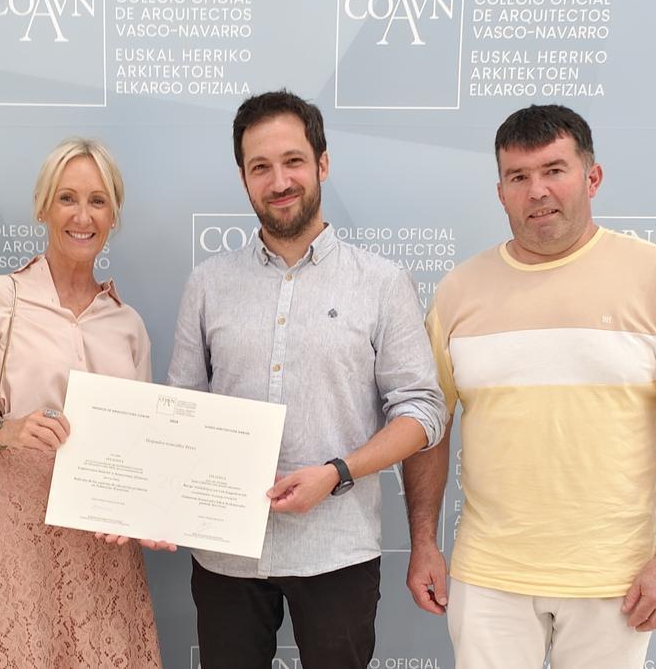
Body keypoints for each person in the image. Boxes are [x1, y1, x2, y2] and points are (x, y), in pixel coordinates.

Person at [402, 104, 656, 668]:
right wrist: (424, 542)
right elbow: (431, 425)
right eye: (518, 176)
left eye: (555, 170)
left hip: (616, 580)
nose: (537, 191)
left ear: (592, 177)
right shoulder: (458, 290)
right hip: (488, 576)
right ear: (500, 190)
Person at [167, 90, 448, 669]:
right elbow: (182, 411)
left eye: (293, 161)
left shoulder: (381, 282)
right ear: (243, 177)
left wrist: (336, 473)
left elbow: (423, 411)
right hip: (227, 555)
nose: (278, 181)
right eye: (260, 167)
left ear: (322, 163)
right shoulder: (208, 284)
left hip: (337, 548)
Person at [0, 137, 165, 668]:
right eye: (67, 198)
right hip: (11, 531)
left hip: (102, 543)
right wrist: (3, 431)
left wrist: (152, 511)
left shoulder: (127, 325)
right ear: (43, 207)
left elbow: (144, 443)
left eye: (98, 201)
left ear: (113, 216)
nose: (82, 215)